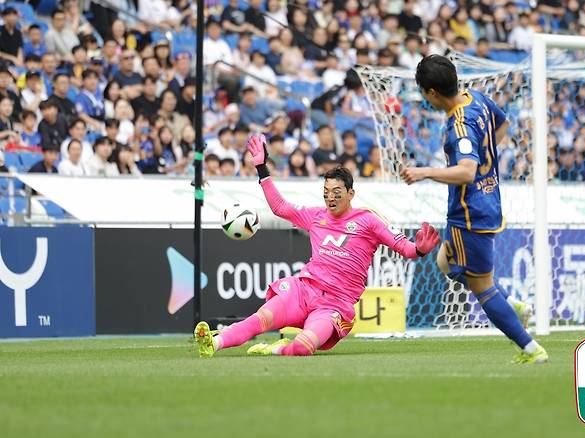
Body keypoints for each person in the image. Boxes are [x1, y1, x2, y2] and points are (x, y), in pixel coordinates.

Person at [193, 134, 441, 357]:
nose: (330, 197)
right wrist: (261, 167)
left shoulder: (368, 220)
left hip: (335, 304)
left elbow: (405, 248)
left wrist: (419, 248)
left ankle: (277, 349)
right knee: (261, 318)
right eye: (326, 192)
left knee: (302, 347)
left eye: (336, 192)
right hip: (303, 290)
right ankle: (213, 343)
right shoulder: (316, 215)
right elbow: (281, 208)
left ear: (351, 193)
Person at [401, 55, 547, 364]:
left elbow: (466, 171)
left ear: (431, 93)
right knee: (444, 261)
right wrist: (485, 162)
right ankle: (512, 306)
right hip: (486, 202)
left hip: (470, 212)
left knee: (482, 289)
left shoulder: (460, 124)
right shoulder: (476, 98)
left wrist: (424, 171)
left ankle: (531, 348)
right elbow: (503, 124)